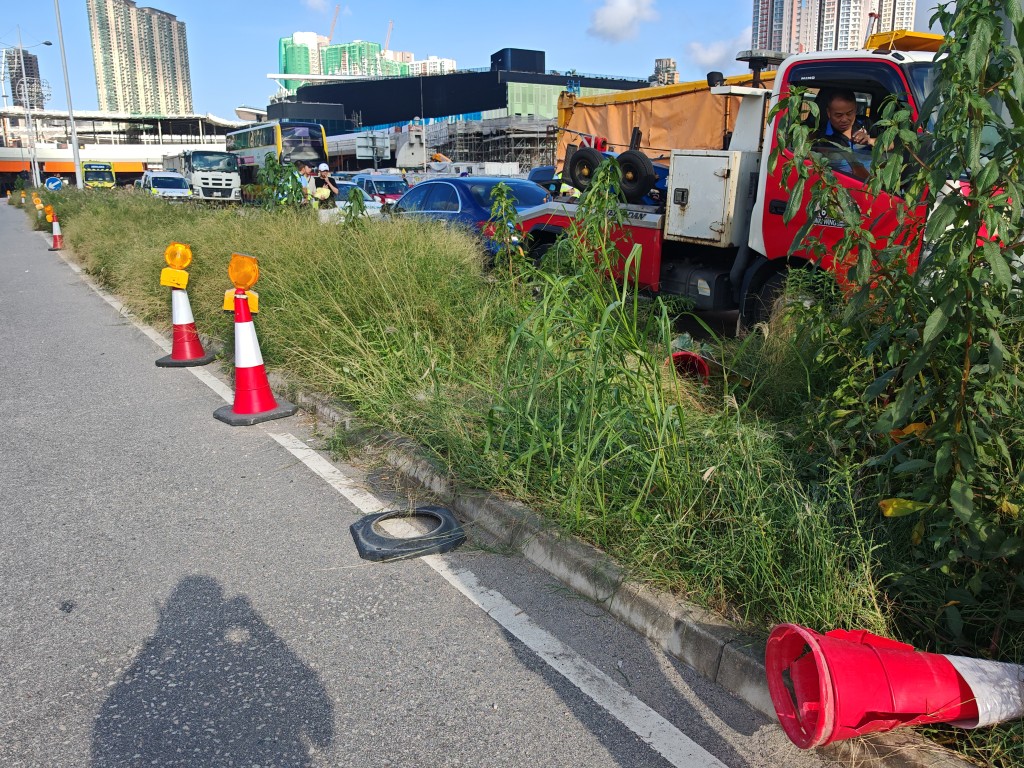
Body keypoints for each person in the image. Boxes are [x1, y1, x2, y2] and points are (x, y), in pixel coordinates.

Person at [812, 89, 875, 179]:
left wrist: (870, 140)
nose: (844, 119)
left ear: (856, 109)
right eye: (838, 115)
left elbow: (891, 144)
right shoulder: (822, 137)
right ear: (829, 113)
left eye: (849, 113)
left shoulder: (865, 122)